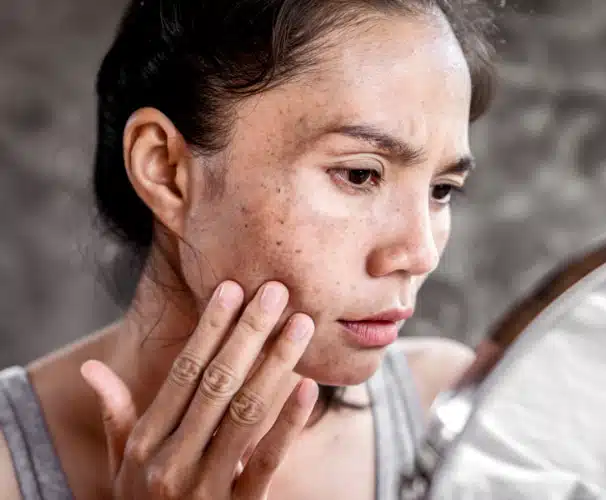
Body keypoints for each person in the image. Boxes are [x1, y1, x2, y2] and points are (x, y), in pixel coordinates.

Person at [0, 0, 495, 498]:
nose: (420, 252)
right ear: (166, 170)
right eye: (359, 174)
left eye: (441, 190)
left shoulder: (454, 419)